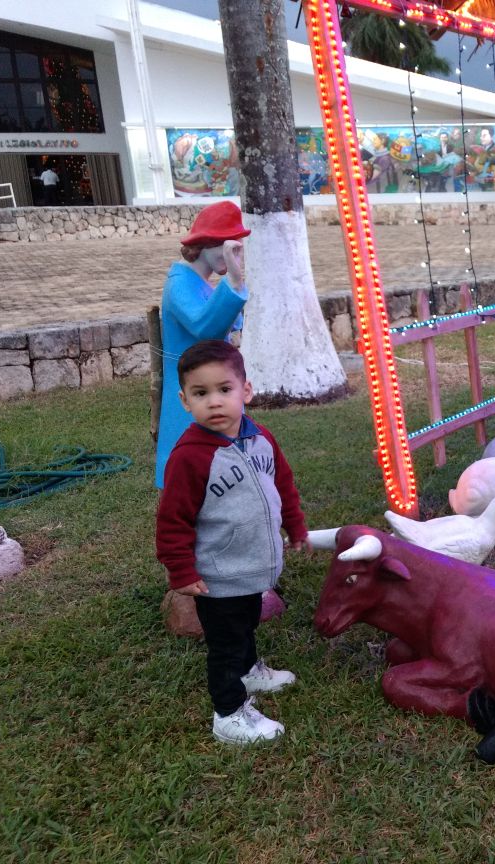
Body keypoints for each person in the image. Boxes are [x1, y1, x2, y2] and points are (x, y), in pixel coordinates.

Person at [156, 340, 309, 745]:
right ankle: (228, 714)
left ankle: (249, 671)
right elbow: (172, 520)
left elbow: (283, 485)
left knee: (245, 626)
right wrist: (181, 572)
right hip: (218, 575)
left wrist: (295, 526)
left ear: (246, 390)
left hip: (252, 567)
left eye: (225, 389)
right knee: (224, 644)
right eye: (200, 393)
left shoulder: (261, 439)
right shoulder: (189, 457)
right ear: (184, 401)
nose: (214, 402)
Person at [155, 201, 250, 488]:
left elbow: (231, 323)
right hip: (191, 388)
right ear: (205, 244)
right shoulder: (179, 284)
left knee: (220, 456)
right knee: (190, 463)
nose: (231, 253)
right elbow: (205, 328)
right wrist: (234, 281)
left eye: (236, 247)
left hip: (211, 382)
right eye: (225, 245)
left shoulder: (202, 284)